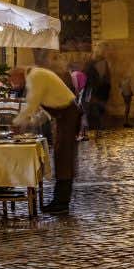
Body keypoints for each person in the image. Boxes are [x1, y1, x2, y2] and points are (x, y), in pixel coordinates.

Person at [14, 67, 83, 214]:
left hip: (68, 116)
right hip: (64, 117)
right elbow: (44, 110)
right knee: (61, 158)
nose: (14, 85)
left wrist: (17, 123)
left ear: (19, 75)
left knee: (64, 159)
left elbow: (32, 104)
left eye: (13, 81)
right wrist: (31, 123)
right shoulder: (36, 76)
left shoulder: (35, 77)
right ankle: (60, 200)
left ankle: (62, 203)